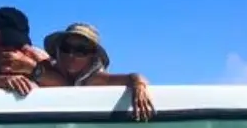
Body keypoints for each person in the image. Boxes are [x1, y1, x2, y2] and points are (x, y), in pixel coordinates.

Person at [14, 22, 155, 121]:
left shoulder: (94, 79)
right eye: (66, 48)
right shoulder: (45, 66)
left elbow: (134, 77)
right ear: (57, 49)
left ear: (92, 57)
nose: (71, 55)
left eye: (81, 50)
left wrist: (139, 86)